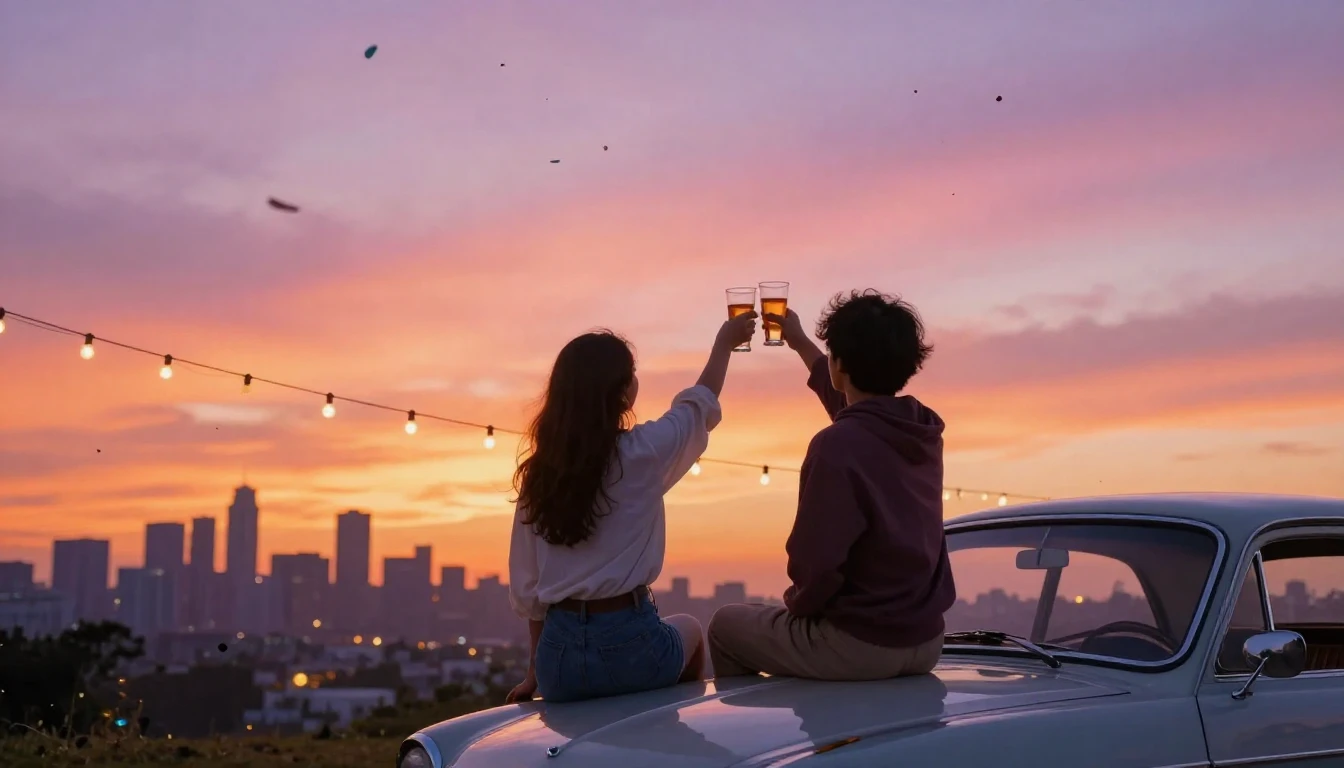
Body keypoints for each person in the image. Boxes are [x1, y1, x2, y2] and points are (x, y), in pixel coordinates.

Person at [506, 310, 758, 704]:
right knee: (690, 629)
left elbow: (530, 591)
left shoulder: (540, 474)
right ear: (621, 391)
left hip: (558, 662)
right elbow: (697, 408)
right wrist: (724, 345)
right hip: (629, 646)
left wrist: (535, 673)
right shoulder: (642, 453)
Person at [708, 290, 955, 681]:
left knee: (726, 625)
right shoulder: (921, 430)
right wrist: (799, 342)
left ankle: (766, 738)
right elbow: (856, 409)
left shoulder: (836, 445)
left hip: (860, 645)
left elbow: (816, 563)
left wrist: (799, 606)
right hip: (926, 643)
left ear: (838, 364)